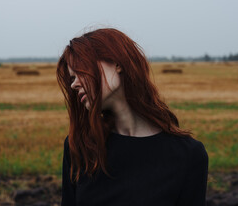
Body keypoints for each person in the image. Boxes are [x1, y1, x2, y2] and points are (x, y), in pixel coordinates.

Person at [56, 28, 209, 206]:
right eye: (72, 77)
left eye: (80, 70)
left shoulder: (187, 155)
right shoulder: (81, 147)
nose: (73, 84)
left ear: (117, 63)